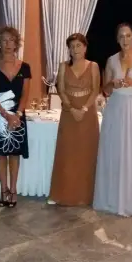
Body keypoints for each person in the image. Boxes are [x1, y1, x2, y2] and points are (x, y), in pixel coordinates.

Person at [93, 23, 132, 216]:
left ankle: (131, 200)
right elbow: (105, 90)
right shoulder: (111, 60)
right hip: (116, 109)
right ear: (117, 39)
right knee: (115, 152)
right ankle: (113, 199)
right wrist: (113, 84)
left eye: (128, 35)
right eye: (121, 36)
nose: (125, 40)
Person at [49, 33, 100, 206]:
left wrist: (83, 109)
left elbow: (95, 90)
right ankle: (63, 194)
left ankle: (86, 196)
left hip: (87, 113)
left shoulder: (93, 66)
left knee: (86, 153)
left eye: (78, 45)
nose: (75, 49)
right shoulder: (63, 66)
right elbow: (61, 90)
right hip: (69, 113)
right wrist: (71, 108)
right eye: (72, 46)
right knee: (67, 153)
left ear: (85, 47)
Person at [0, 26, 31, 208]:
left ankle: (13, 190)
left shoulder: (25, 67)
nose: (7, 44)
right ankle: (3, 191)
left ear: (16, 43)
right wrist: (6, 115)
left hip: (18, 115)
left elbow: (25, 95)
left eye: (11, 40)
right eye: (3, 40)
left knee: (14, 153)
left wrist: (17, 114)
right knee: (1, 154)